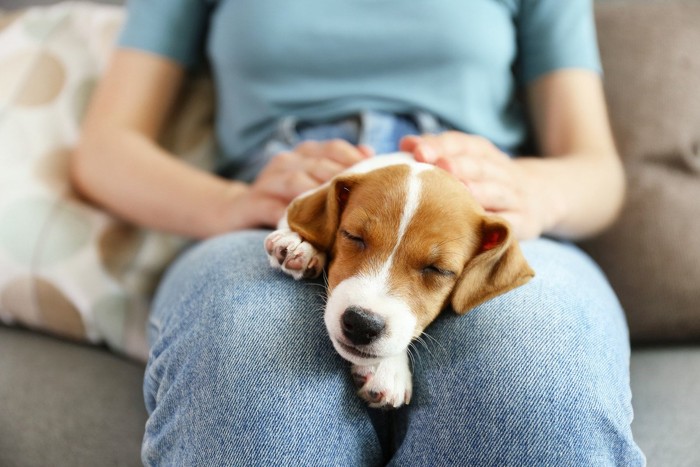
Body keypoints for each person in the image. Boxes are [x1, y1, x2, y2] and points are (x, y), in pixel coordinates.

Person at [70, 0, 645, 465]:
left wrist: (531, 191)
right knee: (247, 353)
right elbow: (104, 150)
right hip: (286, 212)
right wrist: (232, 203)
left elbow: (598, 172)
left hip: (478, 221)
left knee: (531, 373)